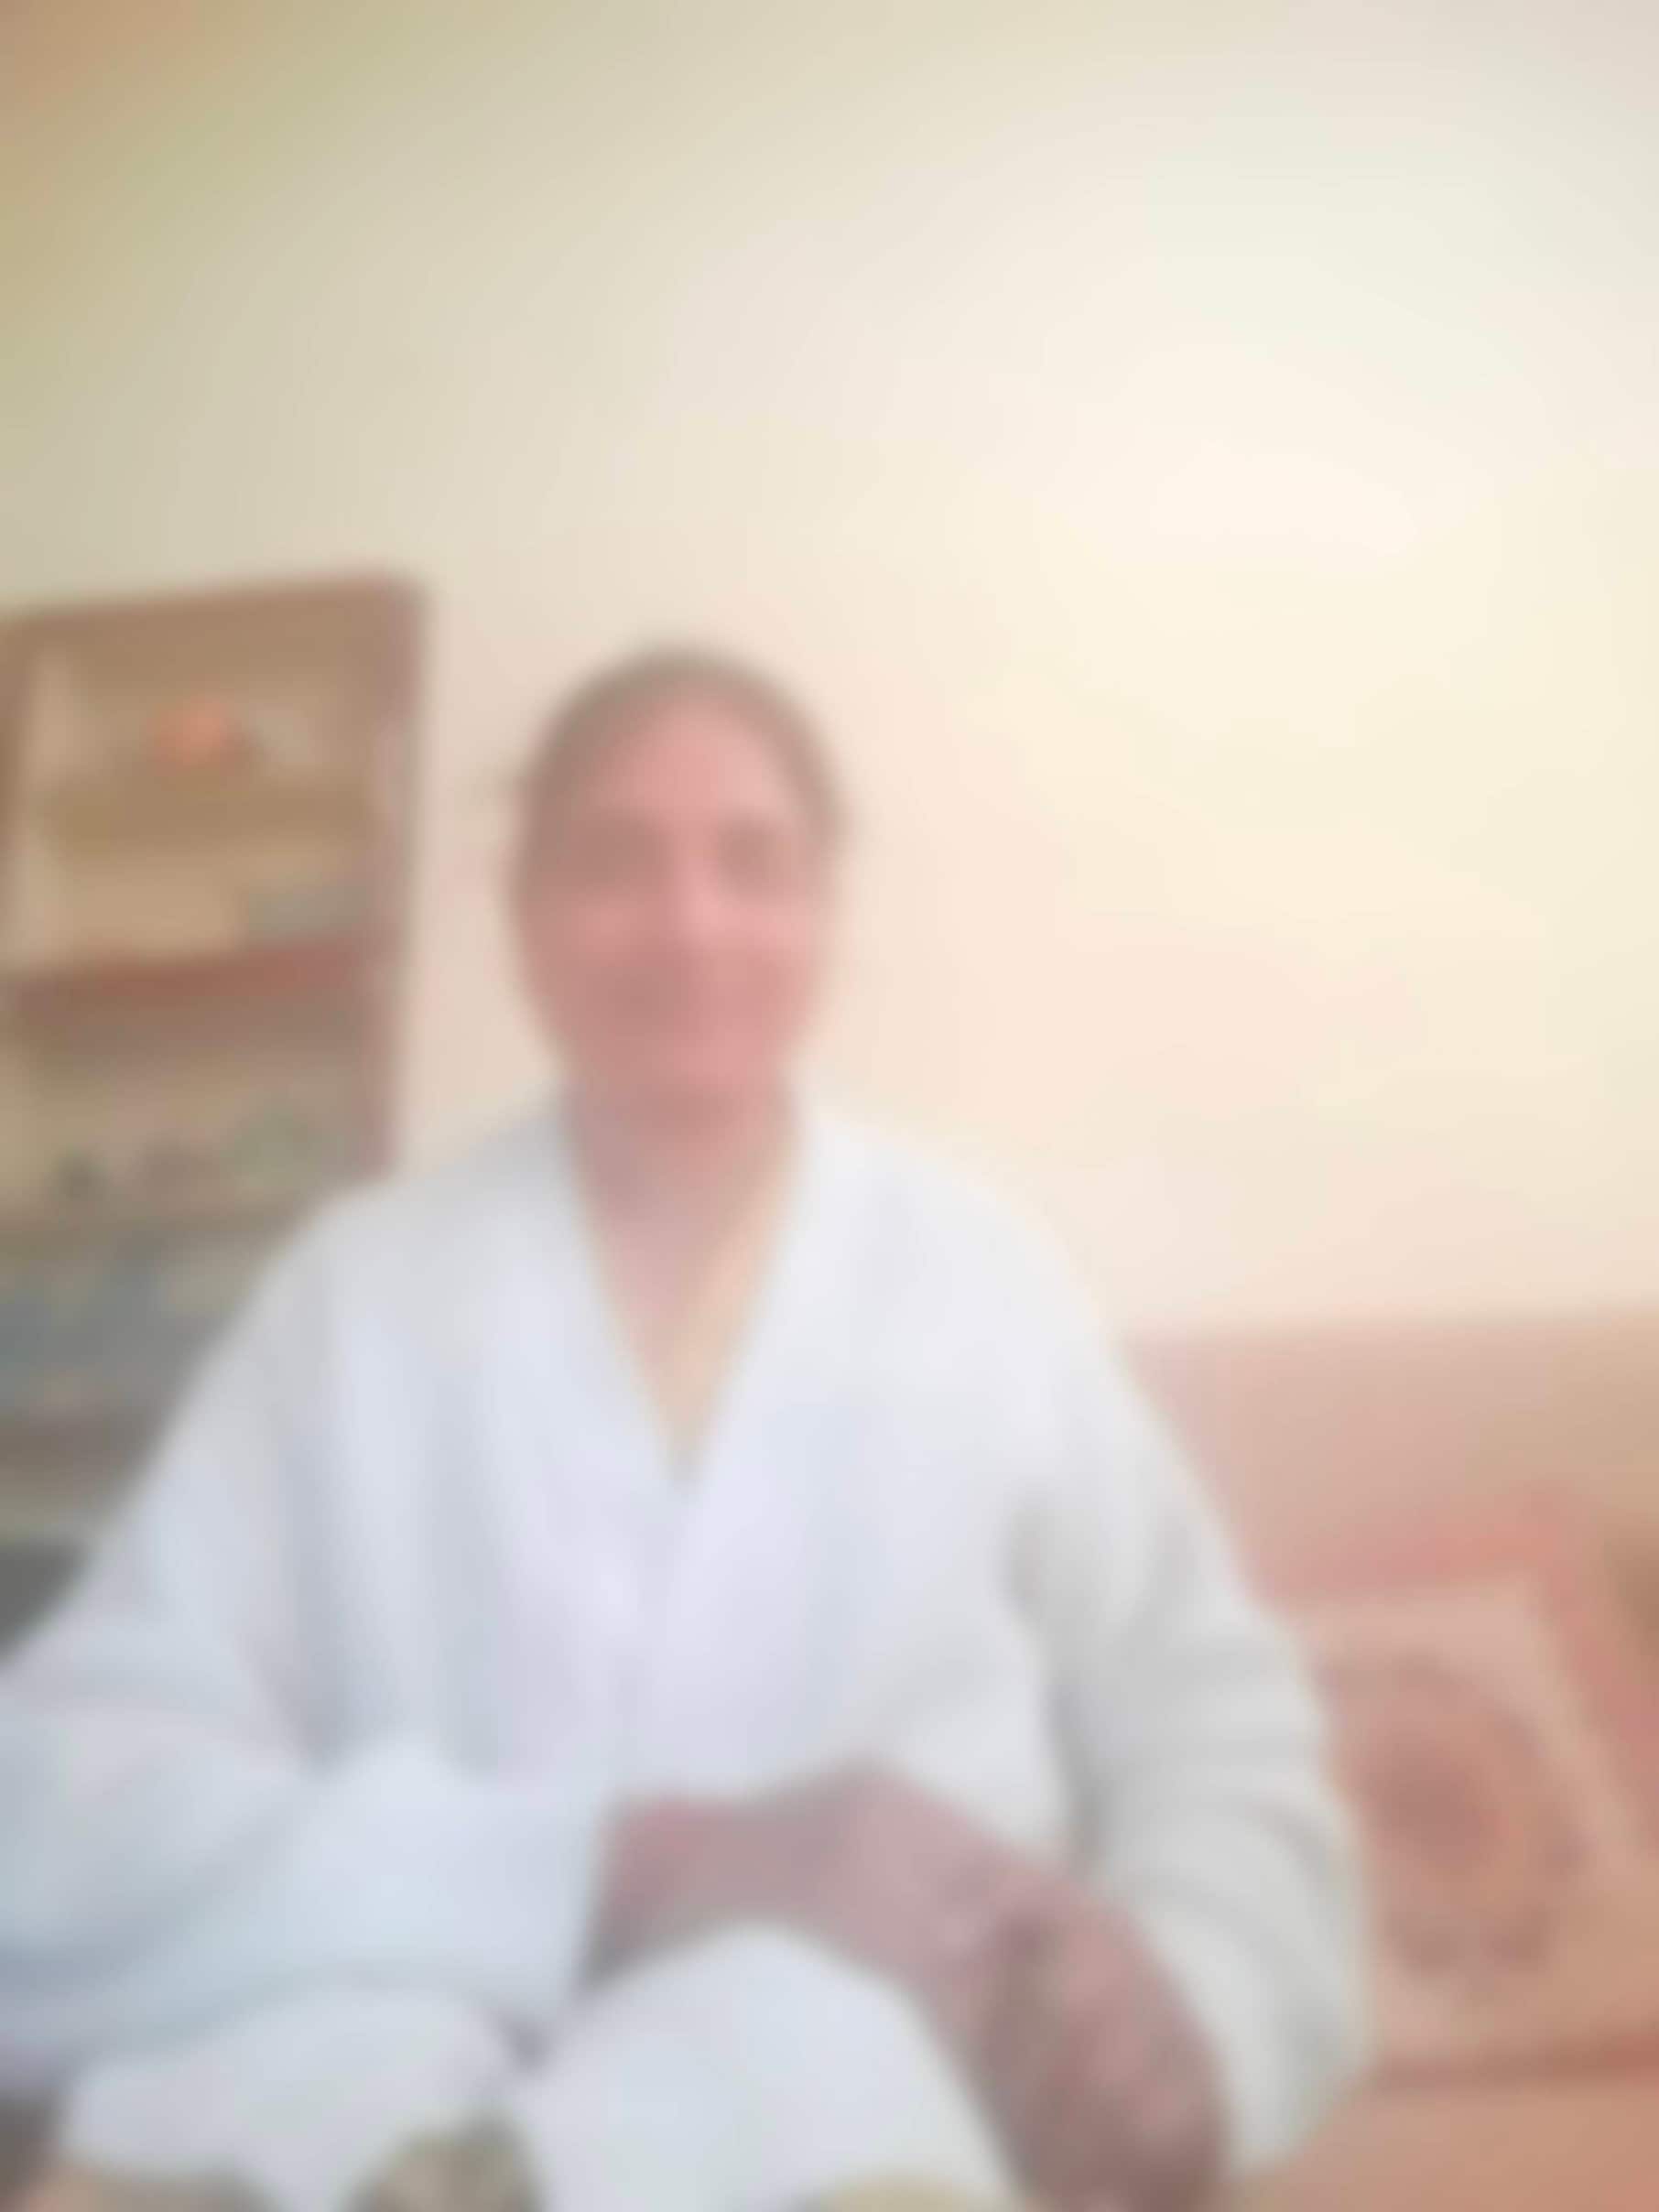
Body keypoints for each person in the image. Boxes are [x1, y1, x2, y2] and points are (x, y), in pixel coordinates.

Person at [0, 649, 1364, 2212]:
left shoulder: (983, 1283)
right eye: (614, 862)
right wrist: (606, 1867)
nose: (692, 925)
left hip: (867, 2104)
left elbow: (1213, 1724)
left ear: (824, 915)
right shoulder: (352, 1298)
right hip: (371, 2101)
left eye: (754, 863)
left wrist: (1194, 2009)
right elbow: (56, 1811)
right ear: (524, 921)